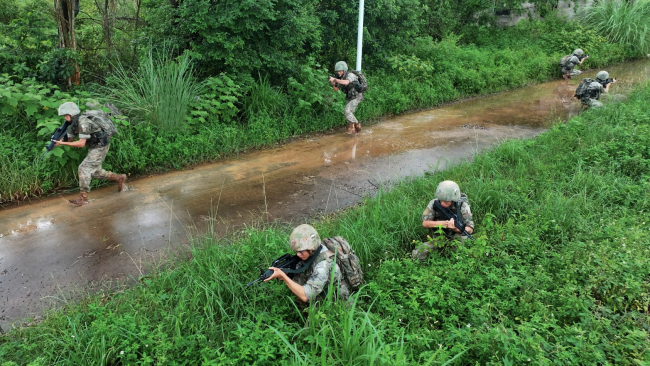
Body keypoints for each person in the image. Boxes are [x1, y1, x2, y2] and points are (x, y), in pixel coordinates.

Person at [54, 102, 126, 206]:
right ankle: (119, 178)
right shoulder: (74, 122)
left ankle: (83, 198)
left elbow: (81, 143)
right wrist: (59, 141)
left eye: (66, 115)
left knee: (84, 168)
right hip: (94, 146)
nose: (65, 118)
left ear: (72, 114)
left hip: (101, 146)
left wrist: (62, 143)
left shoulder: (83, 122)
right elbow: (70, 138)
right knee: (95, 172)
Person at [265, 224, 350, 303]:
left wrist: (284, 277)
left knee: (313, 317)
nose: (298, 255)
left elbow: (305, 297)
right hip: (324, 287)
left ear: (311, 249)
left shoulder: (323, 266)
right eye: (296, 252)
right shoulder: (315, 249)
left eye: (301, 252)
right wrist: (286, 272)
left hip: (335, 300)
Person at [414, 180, 474, 261]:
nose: (442, 203)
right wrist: (444, 224)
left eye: (446, 201)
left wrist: (455, 229)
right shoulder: (433, 203)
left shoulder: (463, 206)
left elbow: (470, 228)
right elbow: (425, 223)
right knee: (417, 254)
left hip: (457, 236)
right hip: (439, 236)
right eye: (441, 200)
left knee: (457, 253)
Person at [329, 61, 364, 134]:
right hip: (350, 96)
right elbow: (336, 90)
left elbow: (346, 82)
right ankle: (355, 127)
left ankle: (354, 126)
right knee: (348, 113)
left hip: (357, 96)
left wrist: (335, 79)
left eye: (340, 71)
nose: (339, 73)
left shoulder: (350, 75)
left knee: (347, 111)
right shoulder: (340, 77)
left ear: (344, 70)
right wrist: (333, 83)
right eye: (338, 71)